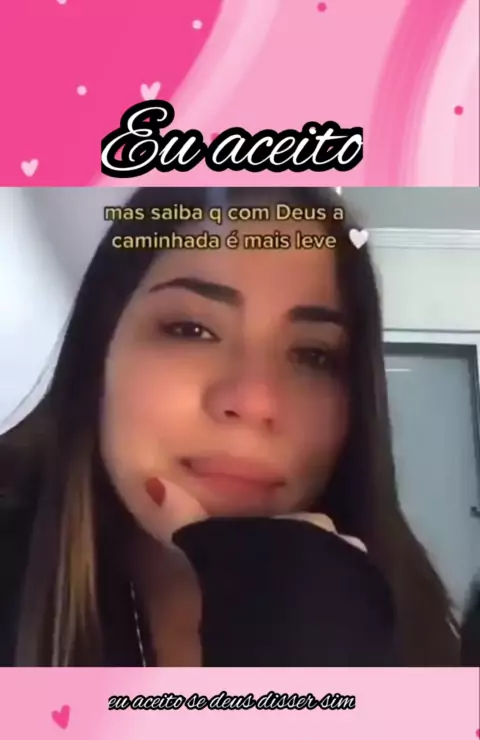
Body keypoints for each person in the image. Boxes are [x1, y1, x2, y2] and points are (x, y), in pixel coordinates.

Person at [0, 186, 460, 667]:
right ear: (99, 351)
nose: (254, 401)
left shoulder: (419, 635)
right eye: (191, 330)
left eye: (313, 354)